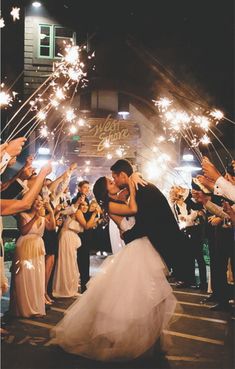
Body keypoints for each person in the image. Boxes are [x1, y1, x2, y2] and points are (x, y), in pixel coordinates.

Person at [50, 175, 177, 362]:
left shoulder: (119, 199)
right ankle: (140, 341)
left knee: (153, 297)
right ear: (105, 191)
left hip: (143, 248)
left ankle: (152, 340)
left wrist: (133, 183)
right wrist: (132, 188)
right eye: (110, 183)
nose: (114, 183)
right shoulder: (111, 205)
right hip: (137, 250)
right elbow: (133, 209)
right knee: (139, 299)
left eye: (113, 180)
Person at [110, 159, 192, 286]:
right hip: (159, 241)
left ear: (122, 175)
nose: (114, 181)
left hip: (167, 242)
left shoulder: (141, 188)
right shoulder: (137, 188)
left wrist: (127, 235)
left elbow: (146, 223)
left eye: (114, 177)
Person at [10, 195, 55, 318]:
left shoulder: (42, 218)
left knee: (36, 277)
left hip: (38, 247)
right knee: (24, 277)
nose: (39, 202)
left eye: (41, 201)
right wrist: (35, 217)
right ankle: (23, 309)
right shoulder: (23, 216)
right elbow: (24, 231)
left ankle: (35, 307)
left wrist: (51, 212)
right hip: (25, 246)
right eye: (36, 200)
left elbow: (52, 227)